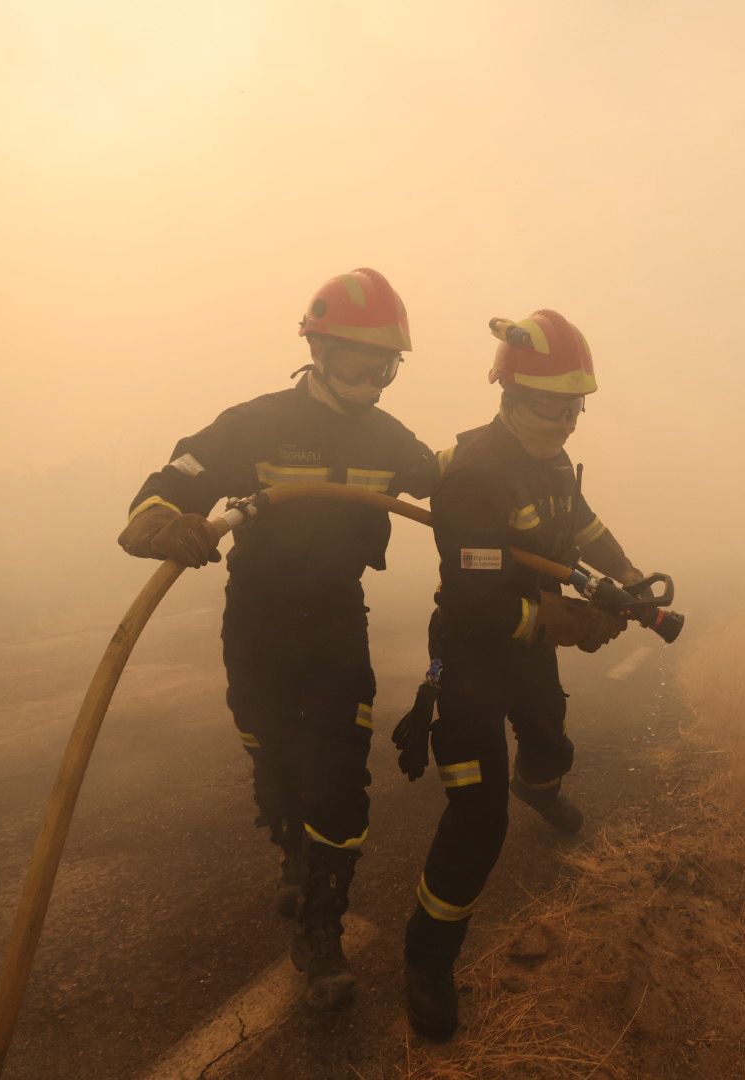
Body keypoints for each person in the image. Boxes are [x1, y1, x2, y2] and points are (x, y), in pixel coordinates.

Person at [116, 268, 438, 1010]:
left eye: (384, 364)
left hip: (334, 622)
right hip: (258, 619)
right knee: (269, 748)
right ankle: (290, 844)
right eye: (358, 360)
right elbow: (168, 484)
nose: (371, 378)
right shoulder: (253, 425)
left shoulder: (390, 438)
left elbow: (457, 491)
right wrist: (161, 520)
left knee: (338, 777)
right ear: (318, 348)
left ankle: (321, 930)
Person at [402, 310, 645, 1040]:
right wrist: (566, 622)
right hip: (471, 654)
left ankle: (541, 782)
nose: (567, 419)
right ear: (508, 393)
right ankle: (427, 961)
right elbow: (477, 605)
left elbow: (583, 520)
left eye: (576, 404)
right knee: (478, 819)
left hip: (531, 647)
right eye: (551, 402)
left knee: (550, 738)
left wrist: (625, 573)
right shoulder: (474, 472)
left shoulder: (546, 459)